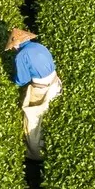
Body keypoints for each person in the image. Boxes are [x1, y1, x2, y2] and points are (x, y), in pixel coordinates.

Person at [8, 28, 61, 160]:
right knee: (49, 112)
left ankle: (35, 153)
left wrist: (12, 79)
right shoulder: (39, 46)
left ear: (16, 44)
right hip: (55, 83)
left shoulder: (21, 55)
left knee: (32, 119)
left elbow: (22, 80)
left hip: (40, 88)